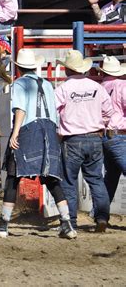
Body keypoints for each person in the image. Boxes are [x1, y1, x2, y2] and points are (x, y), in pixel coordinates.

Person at [0, 49, 77, 239]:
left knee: (13, 177)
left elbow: (20, 109)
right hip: (49, 130)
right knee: (50, 178)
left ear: (18, 67)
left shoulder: (20, 84)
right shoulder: (48, 85)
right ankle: (67, 223)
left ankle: (3, 225)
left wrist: (15, 133)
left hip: (28, 129)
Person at [55, 50, 114, 232]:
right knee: (96, 179)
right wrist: (98, 125)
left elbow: (53, 111)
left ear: (67, 69)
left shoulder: (63, 88)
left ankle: (71, 221)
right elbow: (109, 112)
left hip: (72, 139)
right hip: (95, 137)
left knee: (69, 181)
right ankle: (102, 218)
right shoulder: (97, 87)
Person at [98, 56, 126, 204]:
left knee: (111, 176)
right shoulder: (122, 85)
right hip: (119, 134)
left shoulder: (100, 87)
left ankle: (100, 215)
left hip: (103, 134)